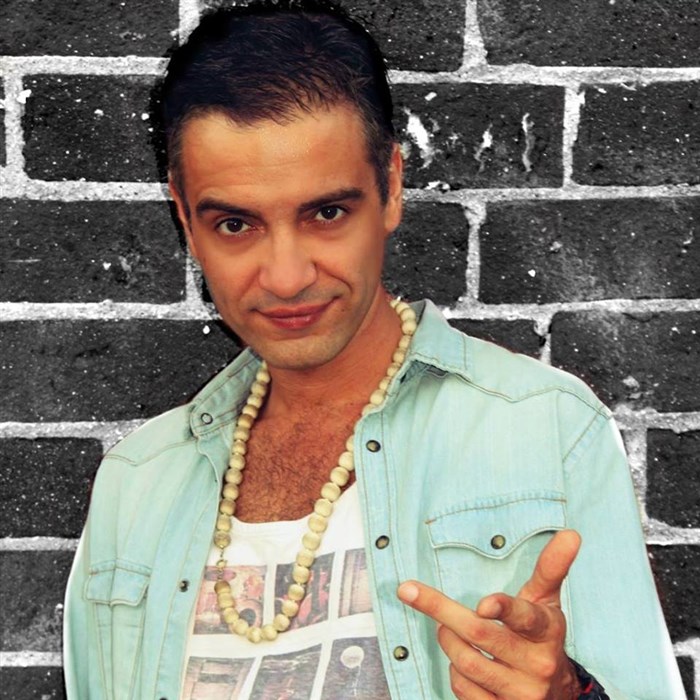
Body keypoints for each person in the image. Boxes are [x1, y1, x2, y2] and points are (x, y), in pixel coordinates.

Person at [63, 1, 685, 698]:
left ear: (390, 187)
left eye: (326, 213)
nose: (287, 277)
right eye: (236, 224)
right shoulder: (135, 484)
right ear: (185, 217)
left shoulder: (547, 428)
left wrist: (570, 694)